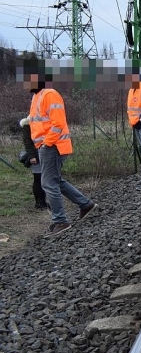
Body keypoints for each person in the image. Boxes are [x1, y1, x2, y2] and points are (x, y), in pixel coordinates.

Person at [27, 79, 97, 237]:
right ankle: (86, 205)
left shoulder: (49, 94)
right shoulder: (38, 95)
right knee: (55, 180)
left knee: (48, 182)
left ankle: (61, 221)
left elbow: (58, 123)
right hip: (48, 145)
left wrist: (47, 143)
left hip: (52, 146)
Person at [19, 116, 48, 209]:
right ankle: (39, 203)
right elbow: (27, 142)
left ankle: (42, 202)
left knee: (41, 179)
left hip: (42, 154)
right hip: (35, 156)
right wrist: (31, 156)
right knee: (38, 180)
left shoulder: (38, 122)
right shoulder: (27, 125)